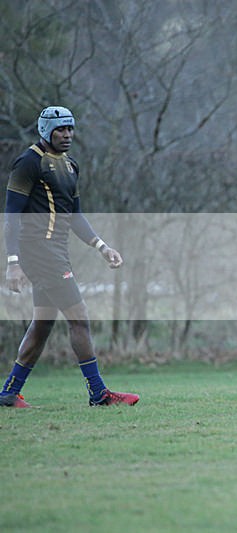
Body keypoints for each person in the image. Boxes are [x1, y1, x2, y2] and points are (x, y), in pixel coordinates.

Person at [1, 106, 139, 408]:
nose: (67, 135)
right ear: (46, 130)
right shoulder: (28, 163)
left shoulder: (71, 165)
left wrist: (102, 247)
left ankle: (9, 393)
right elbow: (11, 215)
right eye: (61, 129)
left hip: (56, 253)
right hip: (40, 252)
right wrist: (12, 263)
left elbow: (75, 216)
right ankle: (99, 393)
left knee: (42, 324)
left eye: (70, 129)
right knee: (79, 318)